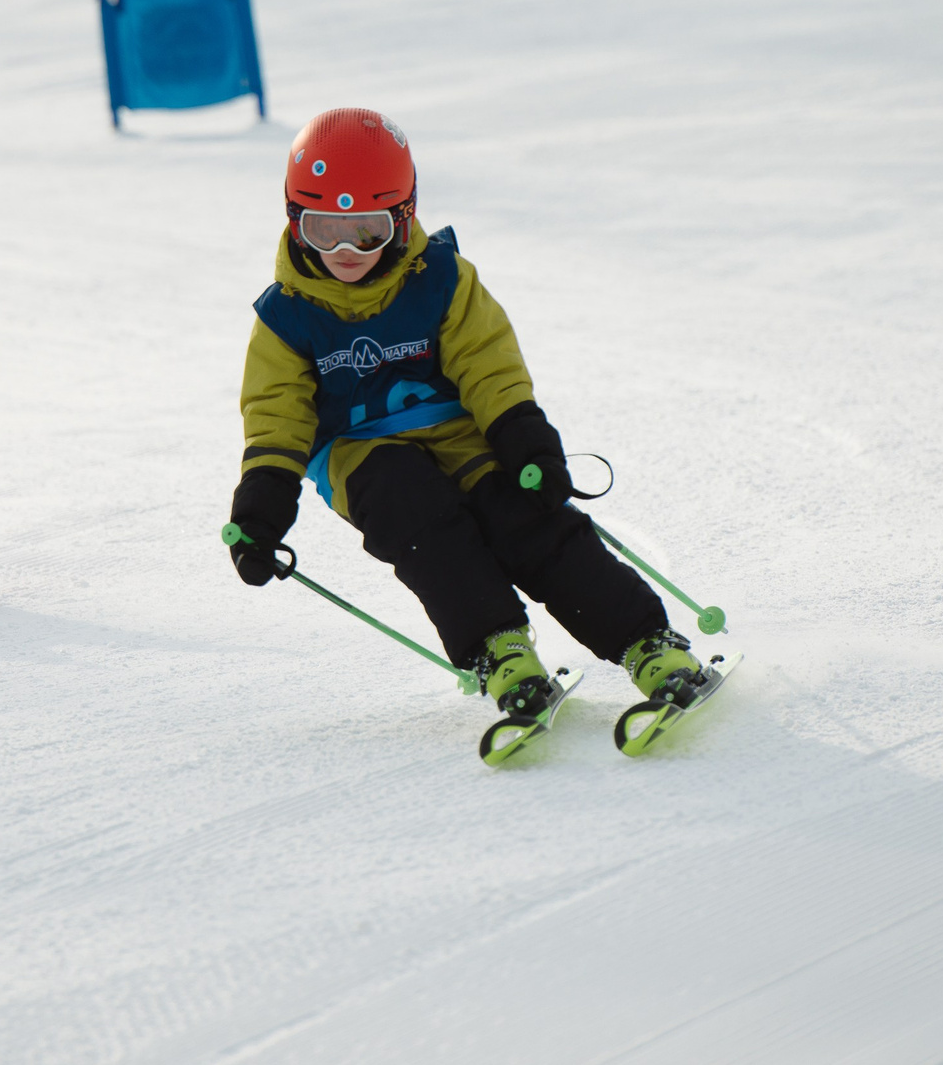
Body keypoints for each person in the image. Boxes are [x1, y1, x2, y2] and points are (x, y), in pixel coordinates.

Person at [226, 106, 705, 720]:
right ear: (295, 222)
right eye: (324, 231)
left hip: (460, 429)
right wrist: (262, 505)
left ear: (402, 219)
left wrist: (523, 435)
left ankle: (648, 643)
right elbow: (276, 415)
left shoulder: (441, 279)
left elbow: (486, 362)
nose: (346, 250)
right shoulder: (285, 318)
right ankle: (500, 652)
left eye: (367, 231)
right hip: (358, 452)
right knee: (418, 519)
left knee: (524, 516)